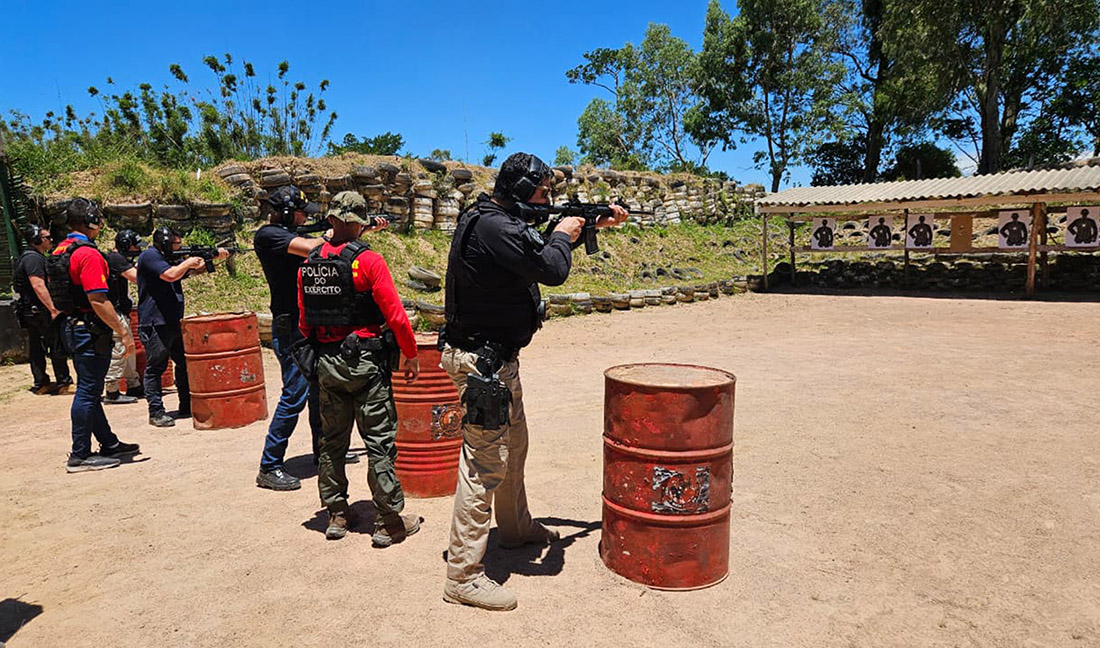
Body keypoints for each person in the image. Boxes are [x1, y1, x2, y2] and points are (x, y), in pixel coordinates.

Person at [439, 152, 628, 610]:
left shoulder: (493, 219)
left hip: (498, 361)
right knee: (484, 464)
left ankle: (517, 527)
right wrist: (565, 232)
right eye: (543, 194)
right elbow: (551, 267)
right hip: (483, 366)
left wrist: (587, 224)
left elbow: (529, 251)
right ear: (522, 192)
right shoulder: (493, 226)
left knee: (515, 444)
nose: (547, 201)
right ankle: (462, 576)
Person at [297, 190, 421, 544]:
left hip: (326, 361)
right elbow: (395, 315)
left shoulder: (310, 262)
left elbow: (305, 319)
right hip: (365, 363)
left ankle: (336, 515)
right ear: (360, 223)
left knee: (333, 442)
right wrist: (410, 353)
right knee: (379, 442)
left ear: (332, 219)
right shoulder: (369, 262)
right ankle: (387, 521)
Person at [253, 186, 365, 491]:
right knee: (294, 394)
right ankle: (270, 464)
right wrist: (343, 231)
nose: (306, 217)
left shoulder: (291, 234)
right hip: (289, 327)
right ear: (287, 212)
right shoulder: (268, 235)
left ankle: (322, 451)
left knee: (319, 391)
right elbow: (313, 248)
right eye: (302, 212)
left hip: (308, 324)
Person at [47, 197, 140, 472]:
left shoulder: (60, 249)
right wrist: (123, 332)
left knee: (91, 387)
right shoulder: (87, 253)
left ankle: (108, 443)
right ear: (91, 221)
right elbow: (98, 299)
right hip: (88, 328)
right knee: (87, 392)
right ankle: (80, 455)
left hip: (72, 326)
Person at [136, 226, 227, 427]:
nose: (180, 247)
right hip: (155, 322)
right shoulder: (150, 256)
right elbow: (171, 275)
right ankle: (156, 412)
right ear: (166, 243)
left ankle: (186, 404)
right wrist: (187, 262)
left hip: (173, 320)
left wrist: (212, 258)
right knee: (156, 368)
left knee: (184, 364)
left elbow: (188, 272)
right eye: (177, 244)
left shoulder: (168, 259)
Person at [12, 223, 72, 394]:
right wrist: (53, 309)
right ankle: (63, 382)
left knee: (37, 347)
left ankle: (41, 383)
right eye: (46, 237)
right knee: (55, 344)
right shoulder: (33, 259)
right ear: (37, 239)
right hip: (38, 310)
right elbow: (38, 285)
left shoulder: (28, 257)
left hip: (30, 310)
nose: (50, 240)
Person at [102, 229, 145, 405]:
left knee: (129, 349)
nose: (137, 249)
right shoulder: (116, 258)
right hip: (113, 311)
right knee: (120, 347)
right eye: (135, 246)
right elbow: (137, 278)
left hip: (120, 310)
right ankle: (112, 390)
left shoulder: (119, 258)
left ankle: (133, 384)